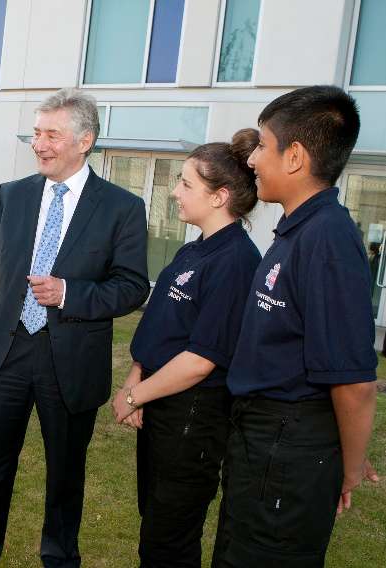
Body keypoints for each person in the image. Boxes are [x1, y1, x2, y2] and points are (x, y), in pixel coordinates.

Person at [0, 88, 150, 568]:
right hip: (4, 356)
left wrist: (70, 293)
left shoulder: (121, 208)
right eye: (36, 133)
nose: (39, 144)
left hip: (70, 361)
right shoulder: (12, 196)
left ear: (84, 140)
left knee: (65, 476)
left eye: (52, 135)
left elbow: (132, 287)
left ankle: (60, 558)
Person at [211, 86, 378, 567]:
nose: (253, 159)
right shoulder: (297, 230)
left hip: (289, 449)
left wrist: (347, 467)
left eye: (262, 145)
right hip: (262, 442)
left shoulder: (327, 239)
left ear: (295, 157)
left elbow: (354, 383)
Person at [112, 129, 262, 567]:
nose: (174, 192)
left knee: (169, 541)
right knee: (155, 526)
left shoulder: (235, 261)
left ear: (220, 197)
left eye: (186, 184)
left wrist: (135, 395)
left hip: (192, 419)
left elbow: (201, 359)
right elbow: (160, 328)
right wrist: (136, 376)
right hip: (161, 405)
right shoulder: (193, 251)